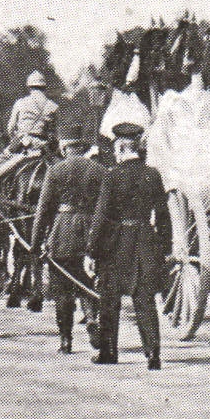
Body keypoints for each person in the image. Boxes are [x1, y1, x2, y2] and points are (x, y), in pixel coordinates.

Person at [85, 122, 170, 368]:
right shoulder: (153, 175)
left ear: (120, 147)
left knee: (109, 299)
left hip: (117, 244)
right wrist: (164, 247)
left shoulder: (112, 176)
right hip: (145, 241)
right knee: (145, 300)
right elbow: (163, 215)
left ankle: (109, 353)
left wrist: (92, 249)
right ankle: (153, 354)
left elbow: (101, 216)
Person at [33, 123, 107, 353]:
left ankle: (66, 341)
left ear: (65, 147)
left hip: (62, 233)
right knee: (87, 280)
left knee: (62, 289)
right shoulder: (99, 170)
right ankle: (92, 318)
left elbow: (43, 210)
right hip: (91, 232)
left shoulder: (55, 171)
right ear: (83, 147)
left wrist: (35, 244)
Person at [6, 71, 59, 147]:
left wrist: (15, 140)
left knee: (1, 159)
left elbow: (10, 128)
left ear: (29, 87)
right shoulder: (53, 106)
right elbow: (56, 133)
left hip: (23, 145)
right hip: (43, 146)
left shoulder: (20, 103)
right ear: (44, 87)